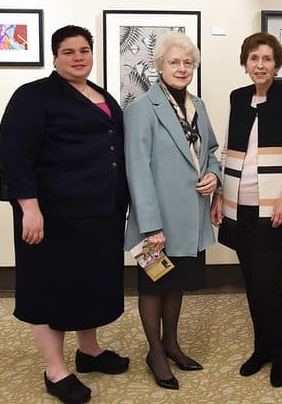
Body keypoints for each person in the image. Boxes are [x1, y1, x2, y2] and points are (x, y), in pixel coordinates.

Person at [0, 25, 129, 404]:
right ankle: (55, 370)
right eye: (69, 51)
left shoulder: (101, 95)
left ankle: (88, 351)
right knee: (49, 289)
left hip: (99, 213)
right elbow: (14, 154)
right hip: (52, 216)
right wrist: (29, 207)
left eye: (84, 50)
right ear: (54, 57)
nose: (78, 57)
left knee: (89, 283)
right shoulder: (33, 97)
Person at [210, 32, 282, 388]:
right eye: (254, 58)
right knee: (252, 283)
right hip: (239, 207)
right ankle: (261, 349)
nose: (260, 65)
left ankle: (280, 354)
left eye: (267, 59)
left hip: (274, 206)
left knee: (268, 283)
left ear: (277, 64)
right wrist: (218, 195)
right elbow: (226, 153)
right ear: (245, 63)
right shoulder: (237, 98)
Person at [124, 32, 221, 391]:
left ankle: (172, 343)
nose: (182, 68)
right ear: (159, 66)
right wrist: (151, 227)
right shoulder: (140, 109)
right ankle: (155, 352)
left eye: (188, 63)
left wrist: (213, 174)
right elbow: (137, 169)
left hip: (190, 219)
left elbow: (211, 149)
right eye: (174, 62)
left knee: (175, 283)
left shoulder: (199, 105)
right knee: (153, 288)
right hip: (158, 222)